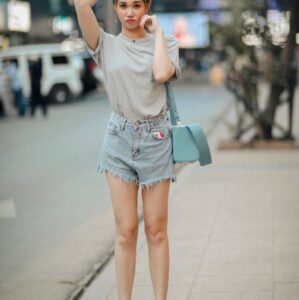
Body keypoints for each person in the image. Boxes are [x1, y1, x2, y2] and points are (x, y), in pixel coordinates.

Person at [74, 0, 181, 299]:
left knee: (156, 230)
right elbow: (81, 8)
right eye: (123, 5)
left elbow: (161, 74)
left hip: (156, 139)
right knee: (125, 231)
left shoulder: (168, 43)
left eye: (137, 5)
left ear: (147, 6)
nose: (130, 12)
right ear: (116, 8)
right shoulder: (104, 44)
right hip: (118, 139)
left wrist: (158, 32)